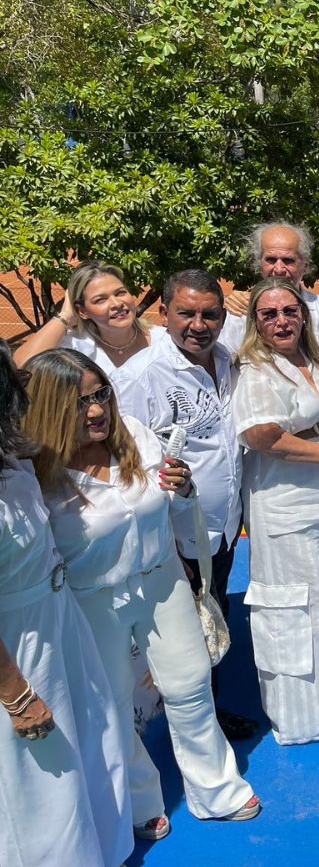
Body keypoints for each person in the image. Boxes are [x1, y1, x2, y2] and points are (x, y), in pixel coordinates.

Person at [23, 349, 259, 842]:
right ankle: (139, 798)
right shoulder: (37, 475)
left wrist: (185, 490)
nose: (95, 410)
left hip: (161, 578)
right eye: (78, 401)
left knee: (191, 684)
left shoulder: (132, 432)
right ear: (49, 406)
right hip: (93, 599)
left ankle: (216, 788)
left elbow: (173, 507)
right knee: (112, 703)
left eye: (99, 393)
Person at [0, 341, 132, 867]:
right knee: (39, 776)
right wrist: (15, 694)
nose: (24, 383)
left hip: (59, 622)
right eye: (14, 379)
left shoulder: (14, 453)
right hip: (17, 649)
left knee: (90, 743)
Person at [123, 269, 259, 741]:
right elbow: (120, 459)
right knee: (181, 635)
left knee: (212, 616)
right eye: (186, 313)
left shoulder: (226, 359)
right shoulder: (141, 377)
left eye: (209, 314)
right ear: (164, 313)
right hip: (173, 534)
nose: (198, 324)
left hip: (220, 528)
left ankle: (209, 714)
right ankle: (187, 729)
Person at [233, 279, 319, 744]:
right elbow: (261, 436)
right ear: (255, 322)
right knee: (294, 605)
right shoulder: (256, 369)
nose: (281, 320)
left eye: (289, 310)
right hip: (283, 505)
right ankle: (304, 715)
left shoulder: (311, 356)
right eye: (269, 314)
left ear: (303, 314)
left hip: (318, 498)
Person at [15, 261, 165, 401]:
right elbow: (23, 366)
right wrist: (65, 316)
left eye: (120, 293)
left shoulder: (164, 341)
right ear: (82, 311)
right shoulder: (76, 348)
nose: (116, 303)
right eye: (100, 300)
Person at [220, 221, 319, 364]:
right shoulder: (239, 312)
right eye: (271, 259)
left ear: (305, 264)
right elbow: (226, 369)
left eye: (288, 260)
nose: (279, 269)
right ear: (259, 263)